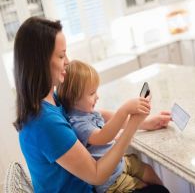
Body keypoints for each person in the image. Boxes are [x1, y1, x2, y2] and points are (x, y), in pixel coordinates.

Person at [14, 16, 171, 193]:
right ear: (40, 63)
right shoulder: (44, 123)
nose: (67, 61)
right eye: (60, 55)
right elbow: (97, 175)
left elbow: (98, 115)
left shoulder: (51, 99)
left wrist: (146, 123)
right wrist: (133, 123)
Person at [57, 60, 171, 193]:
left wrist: (148, 123)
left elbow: (109, 117)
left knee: (149, 171)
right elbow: (103, 136)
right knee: (146, 187)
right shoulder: (78, 123)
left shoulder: (87, 112)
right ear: (74, 97)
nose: (97, 97)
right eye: (92, 93)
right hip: (111, 182)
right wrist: (125, 109)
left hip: (120, 163)